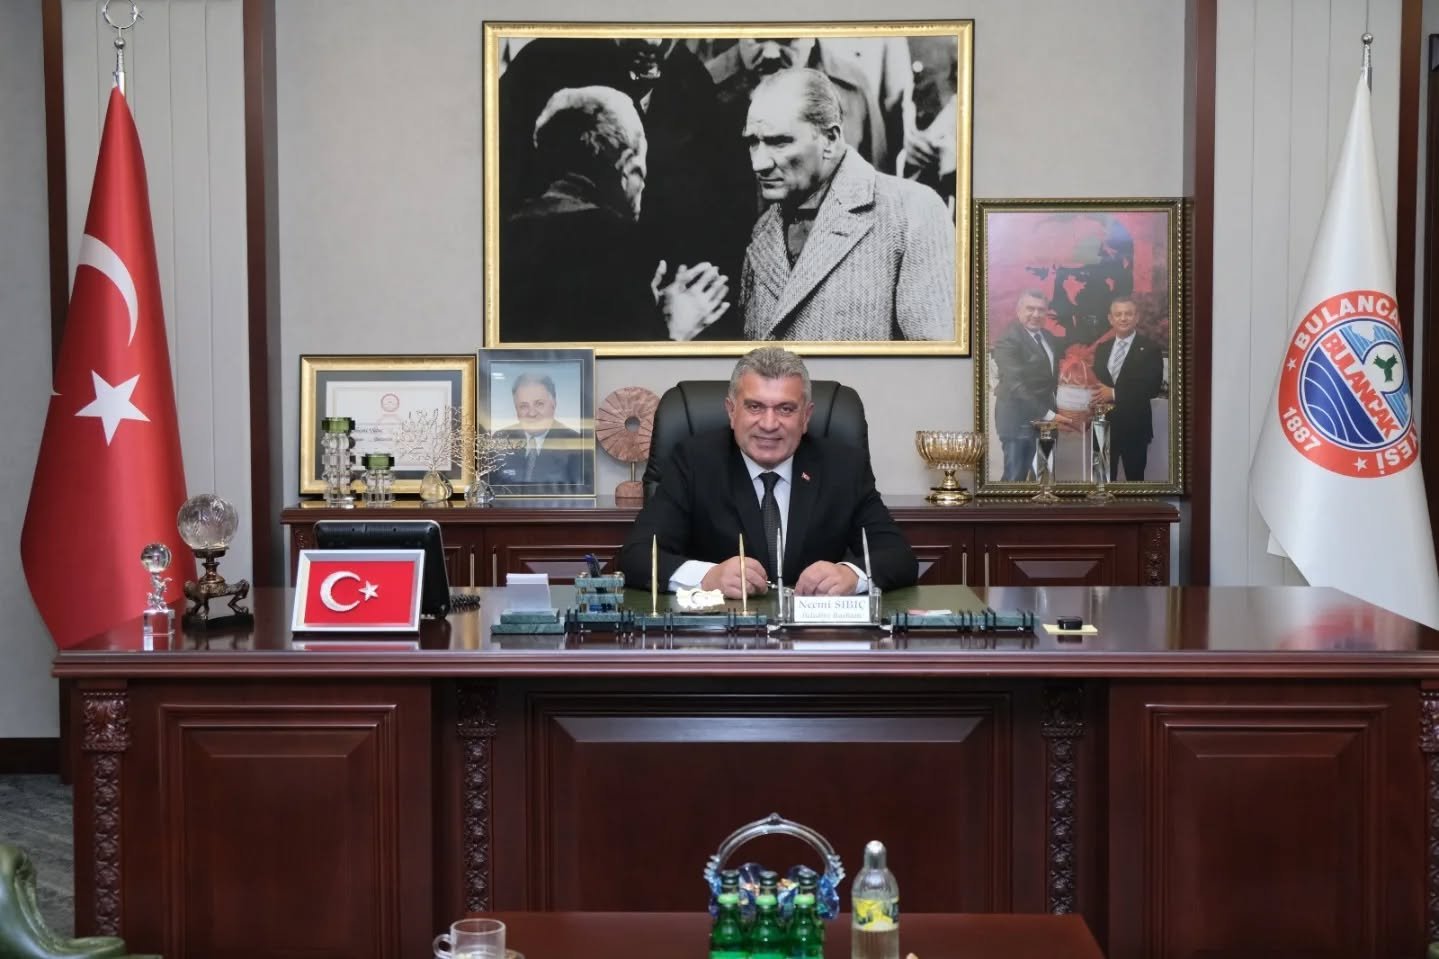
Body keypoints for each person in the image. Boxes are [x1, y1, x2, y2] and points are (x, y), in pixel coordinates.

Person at [619, 347, 916, 597]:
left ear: (806, 416)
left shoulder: (843, 466)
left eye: (786, 409)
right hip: (723, 634)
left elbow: (898, 556)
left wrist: (852, 575)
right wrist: (708, 577)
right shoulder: (694, 462)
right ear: (731, 411)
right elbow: (636, 556)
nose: (769, 424)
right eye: (755, 407)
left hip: (813, 637)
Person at [499, 86, 729, 344]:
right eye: (641, 172)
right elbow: (623, 362)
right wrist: (674, 331)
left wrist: (651, 314)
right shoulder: (623, 246)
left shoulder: (502, 235)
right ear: (628, 166)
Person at [737, 69, 954, 342]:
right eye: (752, 143)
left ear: (830, 139)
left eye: (779, 142)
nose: (759, 164)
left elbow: (935, 358)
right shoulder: (763, 231)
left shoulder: (912, 212)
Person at [991, 290, 1073, 482]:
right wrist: (1050, 415)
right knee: (1015, 481)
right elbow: (1015, 385)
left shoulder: (1048, 337)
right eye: (1030, 308)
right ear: (1018, 310)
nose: (1036, 314)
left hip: (1046, 421)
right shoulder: (1008, 340)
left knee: (1043, 479)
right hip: (1018, 421)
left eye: (1041, 310)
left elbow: (1049, 380)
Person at [1092, 296, 1165, 481]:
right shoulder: (1102, 349)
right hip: (1104, 426)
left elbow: (1152, 387)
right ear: (1111, 319)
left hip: (1135, 428)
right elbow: (1095, 383)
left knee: (1135, 482)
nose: (1123, 318)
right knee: (1102, 482)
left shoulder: (1150, 349)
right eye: (1118, 314)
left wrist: (1114, 393)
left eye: (1128, 314)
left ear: (1136, 317)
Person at [492, 372, 585, 489]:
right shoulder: (501, 439)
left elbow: (580, 493)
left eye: (539, 404)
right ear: (516, 409)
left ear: (553, 404)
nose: (532, 413)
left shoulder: (576, 443)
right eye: (523, 406)